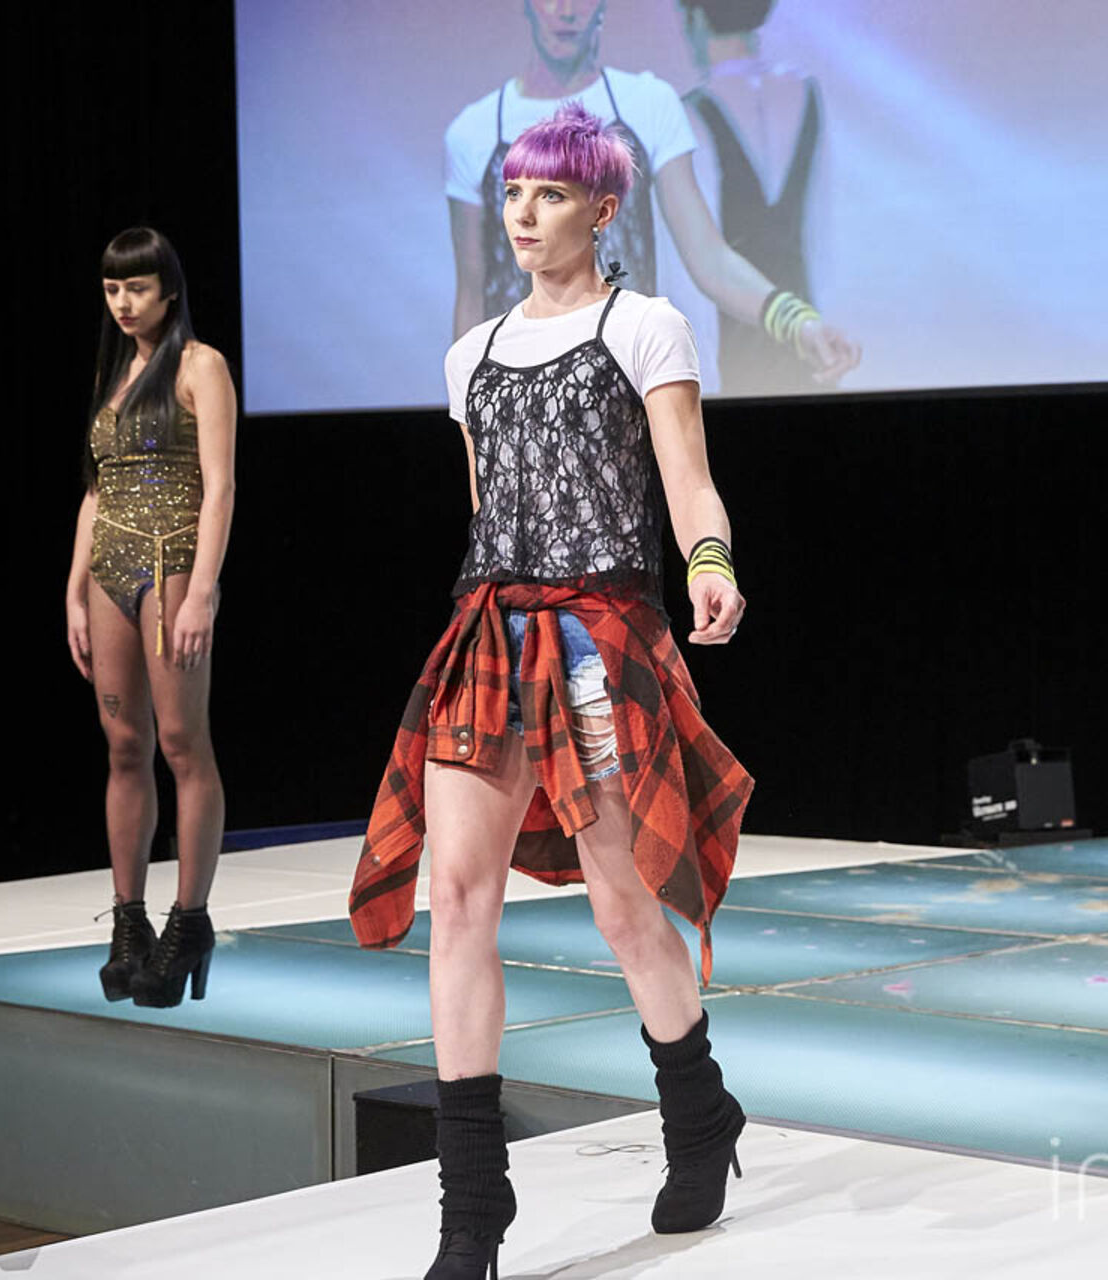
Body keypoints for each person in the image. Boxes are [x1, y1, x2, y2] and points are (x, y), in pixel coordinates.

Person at [356, 103, 755, 1279]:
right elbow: (490, 510)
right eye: (513, 194)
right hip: (489, 635)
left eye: (551, 194)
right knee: (458, 899)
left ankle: (698, 1111)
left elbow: (688, 479)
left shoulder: (648, 325)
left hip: (597, 637)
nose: (524, 214)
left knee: (623, 904)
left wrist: (710, 563)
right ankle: (471, 1207)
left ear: (603, 208)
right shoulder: (470, 352)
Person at [444, 0, 859, 389]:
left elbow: (709, 257)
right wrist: (463, 411)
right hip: (516, 396)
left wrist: (800, 324)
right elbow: (473, 290)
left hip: (624, 387)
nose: (567, 11)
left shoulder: (647, 104)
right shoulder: (474, 131)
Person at [64, 227, 237, 1008]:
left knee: (181, 744)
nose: (124, 303)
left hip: (171, 566)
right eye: (112, 289)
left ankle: (189, 920)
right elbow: (96, 488)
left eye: (136, 287)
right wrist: (75, 589)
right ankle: (128, 921)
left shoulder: (201, 366)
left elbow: (220, 486)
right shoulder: (115, 372)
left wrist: (202, 589)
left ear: (168, 288)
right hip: (109, 568)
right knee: (124, 747)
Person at [677, 0, 826, 396]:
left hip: (736, 330)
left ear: (696, 17)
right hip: (807, 321)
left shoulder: (690, 113)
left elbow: (700, 258)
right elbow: (821, 230)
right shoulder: (806, 91)